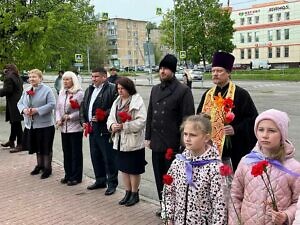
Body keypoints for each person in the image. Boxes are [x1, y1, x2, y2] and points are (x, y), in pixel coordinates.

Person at [229, 109, 300, 225]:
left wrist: (286, 215)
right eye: (261, 130)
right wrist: (234, 222)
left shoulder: (294, 168)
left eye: (271, 131)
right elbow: (235, 196)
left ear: (282, 134)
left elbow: (297, 202)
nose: (265, 135)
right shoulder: (246, 162)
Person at [145, 54, 195, 216]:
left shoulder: (183, 91)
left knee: (173, 179)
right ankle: (164, 206)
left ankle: (175, 208)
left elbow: (188, 120)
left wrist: (184, 144)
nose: (162, 71)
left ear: (172, 70)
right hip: (157, 142)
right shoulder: (155, 89)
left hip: (173, 145)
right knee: (159, 177)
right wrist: (148, 137)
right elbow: (150, 114)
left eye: (165, 68)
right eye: (160, 68)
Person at [196, 51, 258, 170]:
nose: (215, 74)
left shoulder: (241, 94)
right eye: (213, 71)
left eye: (219, 71)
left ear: (228, 73)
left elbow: (253, 120)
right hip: (209, 149)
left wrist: (235, 129)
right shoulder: (207, 94)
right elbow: (197, 118)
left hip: (233, 150)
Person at [162, 114, 227, 224]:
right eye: (185, 134)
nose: (187, 139)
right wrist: (168, 217)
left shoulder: (214, 168)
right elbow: (168, 192)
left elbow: (220, 204)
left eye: (193, 135)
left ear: (206, 138)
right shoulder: (179, 162)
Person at [107, 77, 147, 206]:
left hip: (133, 141)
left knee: (133, 169)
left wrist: (125, 126)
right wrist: (112, 125)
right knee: (123, 168)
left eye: (122, 88)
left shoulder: (137, 101)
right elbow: (110, 118)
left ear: (129, 88)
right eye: (118, 89)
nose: (120, 91)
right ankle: (127, 192)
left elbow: (142, 121)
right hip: (119, 140)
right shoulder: (117, 102)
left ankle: (135, 194)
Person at [80, 67, 118, 195]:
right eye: (92, 76)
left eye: (96, 76)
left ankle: (112, 183)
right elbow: (83, 106)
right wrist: (83, 120)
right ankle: (100, 180)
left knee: (108, 157)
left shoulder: (112, 89)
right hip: (92, 129)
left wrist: (104, 114)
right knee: (95, 156)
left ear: (104, 77)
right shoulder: (89, 89)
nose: (93, 79)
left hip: (104, 129)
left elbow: (116, 107)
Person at [17, 69, 56, 179]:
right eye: (30, 77)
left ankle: (47, 168)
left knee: (46, 147)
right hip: (31, 124)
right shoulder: (27, 89)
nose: (32, 79)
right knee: (36, 146)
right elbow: (20, 103)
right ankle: (39, 165)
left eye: (34, 77)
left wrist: (37, 110)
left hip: (45, 125)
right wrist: (24, 110)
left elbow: (52, 104)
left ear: (40, 78)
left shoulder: (47, 90)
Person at [56, 71, 84, 186]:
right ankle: (68, 174)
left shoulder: (79, 93)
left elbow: (82, 111)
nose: (65, 81)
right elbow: (57, 108)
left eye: (68, 79)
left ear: (73, 80)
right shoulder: (62, 92)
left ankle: (76, 176)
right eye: (64, 79)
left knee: (75, 153)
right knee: (66, 152)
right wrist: (58, 119)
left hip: (75, 127)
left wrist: (71, 116)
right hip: (64, 128)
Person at [0, 64, 24, 153]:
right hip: (18, 102)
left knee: (16, 124)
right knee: (14, 122)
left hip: (13, 104)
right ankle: (11, 141)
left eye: (4, 69)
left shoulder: (8, 77)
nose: (3, 71)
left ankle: (21, 144)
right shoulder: (17, 76)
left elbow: (7, 90)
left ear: (7, 70)